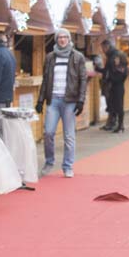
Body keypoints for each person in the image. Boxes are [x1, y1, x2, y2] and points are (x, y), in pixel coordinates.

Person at [35, 29, 87, 178]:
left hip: (69, 100)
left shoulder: (78, 57)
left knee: (69, 135)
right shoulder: (51, 57)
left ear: (69, 39)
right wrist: (40, 100)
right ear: (56, 40)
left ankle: (68, 166)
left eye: (65, 37)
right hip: (53, 100)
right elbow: (46, 80)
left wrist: (81, 100)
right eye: (60, 37)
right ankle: (49, 161)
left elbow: (83, 80)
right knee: (48, 132)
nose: (62, 40)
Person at [95, 38, 121, 131]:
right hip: (111, 83)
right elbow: (107, 70)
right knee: (110, 104)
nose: (102, 50)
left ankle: (112, 123)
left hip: (111, 84)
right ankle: (111, 122)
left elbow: (112, 70)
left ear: (107, 47)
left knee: (111, 104)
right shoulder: (112, 55)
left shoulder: (113, 56)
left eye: (103, 48)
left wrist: (110, 79)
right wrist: (98, 69)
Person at [106, 48, 129, 133]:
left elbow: (116, 79)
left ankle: (120, 125)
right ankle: (119, 125)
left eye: (116, 59)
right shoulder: (117, 68)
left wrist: (110, 76)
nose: (115, 60)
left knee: (119, 107)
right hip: (115, 88)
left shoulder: (122, 69)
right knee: (115, 107)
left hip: (118, 89)